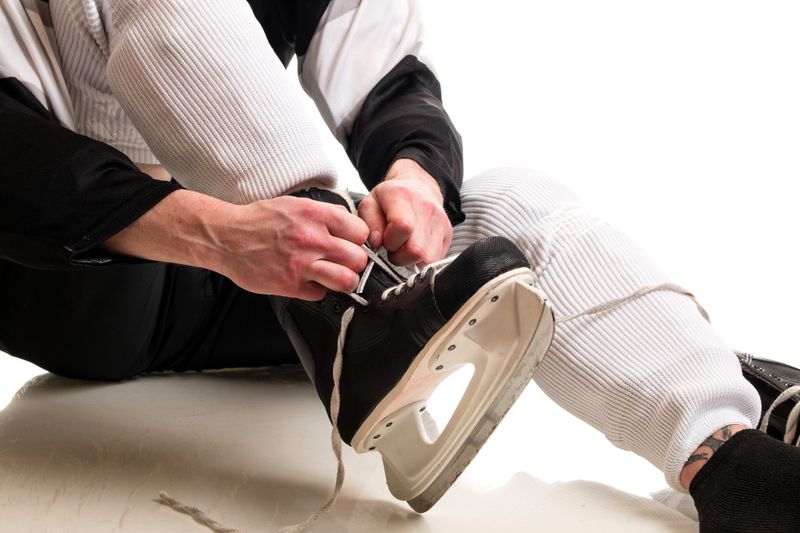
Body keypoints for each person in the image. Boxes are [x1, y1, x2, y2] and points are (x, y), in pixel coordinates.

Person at [1, 1, 798, 531]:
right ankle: (347, 313)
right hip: (82, 284)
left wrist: (413, 182)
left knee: (503, 206)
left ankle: (731, 454)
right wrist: (217, 232)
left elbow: (392, 84)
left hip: (267, 272)